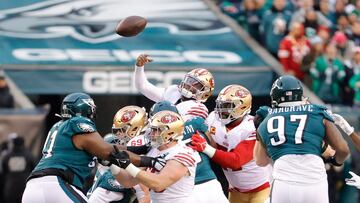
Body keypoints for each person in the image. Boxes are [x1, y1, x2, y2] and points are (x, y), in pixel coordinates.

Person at [21, 93, 160, 203]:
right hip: (55, 184)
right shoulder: (77, 123)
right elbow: (110, 152)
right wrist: (149, 161)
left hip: (32, 188)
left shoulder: (57, 127)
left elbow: (111, 148)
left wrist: (136, 148)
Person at [254, 75, 350, 203]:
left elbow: (260, 161)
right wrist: (336, 161)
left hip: (284, 183)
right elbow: (343, 150)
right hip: (315, 183)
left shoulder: (267, 121)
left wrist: (259, 131)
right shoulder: (317, 112)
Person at [191, 84, 270, 203]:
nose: (222, 109)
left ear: (242, 107)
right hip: (235, 189)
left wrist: (205, 148)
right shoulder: (213, 119)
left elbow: (235, 161)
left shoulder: (252, 127)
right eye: (221, 105)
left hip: (261, 188)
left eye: (227, 106)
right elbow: (214, 147)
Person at [110, 110, 200, 203]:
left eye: (156, 130)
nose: (151, 133)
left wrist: (128, 165)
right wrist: (112, 164)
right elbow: (128, 181)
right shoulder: (154, 150)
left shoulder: (182, 153)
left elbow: (159, 183)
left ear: (170, 133)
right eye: (152, 129)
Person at [151, 101, 229, 203]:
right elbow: (213, 145)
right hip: (210, 182)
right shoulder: (196, 122)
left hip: (185, 190)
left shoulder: (155, 139)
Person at [88, 105, 149, 203]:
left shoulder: (140, 141)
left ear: (136, 128)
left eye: (122, 130)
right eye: (117, 130)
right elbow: (143, 192)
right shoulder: (139, 142)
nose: (119, 134)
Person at [134, 54, 214, 119]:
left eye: (196, 85)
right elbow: (142, 86)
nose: (189, 85)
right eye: (190, 80)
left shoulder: (199, 108)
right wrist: (139, 67)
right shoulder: (174, 92)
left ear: (205, 93)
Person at [1, 133, 35, 203]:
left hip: (10, 186)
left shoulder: (7, 156)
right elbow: (33, 170)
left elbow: (4, 172)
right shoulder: (29, 155)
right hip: (24, 185)